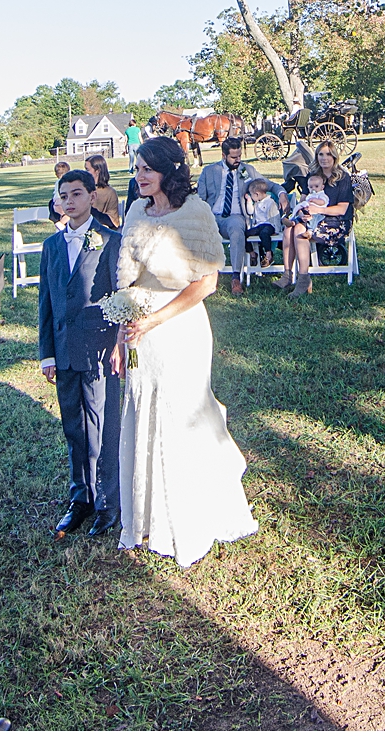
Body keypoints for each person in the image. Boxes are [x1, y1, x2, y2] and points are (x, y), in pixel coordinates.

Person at [112, 136, 259, 566]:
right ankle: (147, 520)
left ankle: (190, 521)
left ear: (170, 172)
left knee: (180, 414)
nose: (139, 177)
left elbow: (206, 283)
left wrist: (155, 320)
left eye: (146, 170)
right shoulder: (136, 210)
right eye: (136, 169)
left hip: (180, 327)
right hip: (140, 329)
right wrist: (126, 327)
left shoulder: (194, 214)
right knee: (144, 412)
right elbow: (127, 277)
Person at [36, 169, 124, 540]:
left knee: (103, 426)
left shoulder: (109, 240)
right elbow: (46, 304)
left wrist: (117, 342)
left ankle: (108, 502)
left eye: (77, 194)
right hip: (65, 349)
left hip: (99, 349)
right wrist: (47, 354)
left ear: (91, 196)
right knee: (74, 427)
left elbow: (120, 296)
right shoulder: (52, 246)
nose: (70, 201)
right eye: (64, 196)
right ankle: (81, 498)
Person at [195, 137, 267, 295]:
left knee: (236, 229)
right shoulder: (209, 171)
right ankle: (199, 276)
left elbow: (268, 184)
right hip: (212, 215)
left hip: (235, 215)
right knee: (196, 230)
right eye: (234, 157)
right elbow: (200, 198)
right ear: (223, 155)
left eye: (240, 156)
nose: (238, 160)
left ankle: (236, 277)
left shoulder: (245, 170)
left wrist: (281, 193)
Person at [279, 142, 352, 296]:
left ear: (334, 156)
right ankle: (290, 276)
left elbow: (342, 209)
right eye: (320, 154)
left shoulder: (342, 177)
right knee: (292, 228)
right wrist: (302, 212)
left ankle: (302, 279)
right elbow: (304, 199)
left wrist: (319, 209)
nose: (324, 158)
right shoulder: (312, 176)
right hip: (312, 217)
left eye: (328, 154)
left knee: (299, 231)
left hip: (335, 221)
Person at [243, 178, 282, 268]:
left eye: (252, 195)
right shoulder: (256, 203)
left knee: (264, 234)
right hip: (259, 226)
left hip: (269, 225)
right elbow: (250, 212)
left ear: (257, 194)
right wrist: (249, 201)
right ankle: (252, 253)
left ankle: (268, 254)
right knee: (244, 234)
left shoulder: (270, 202)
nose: (251, 197)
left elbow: (275, 216)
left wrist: (277, 229)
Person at [85, 154, 122, 229]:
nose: (85, 173)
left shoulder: (110, 192)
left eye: (87, 170)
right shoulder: (84, 190)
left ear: (97, 171)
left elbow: (113, 222)